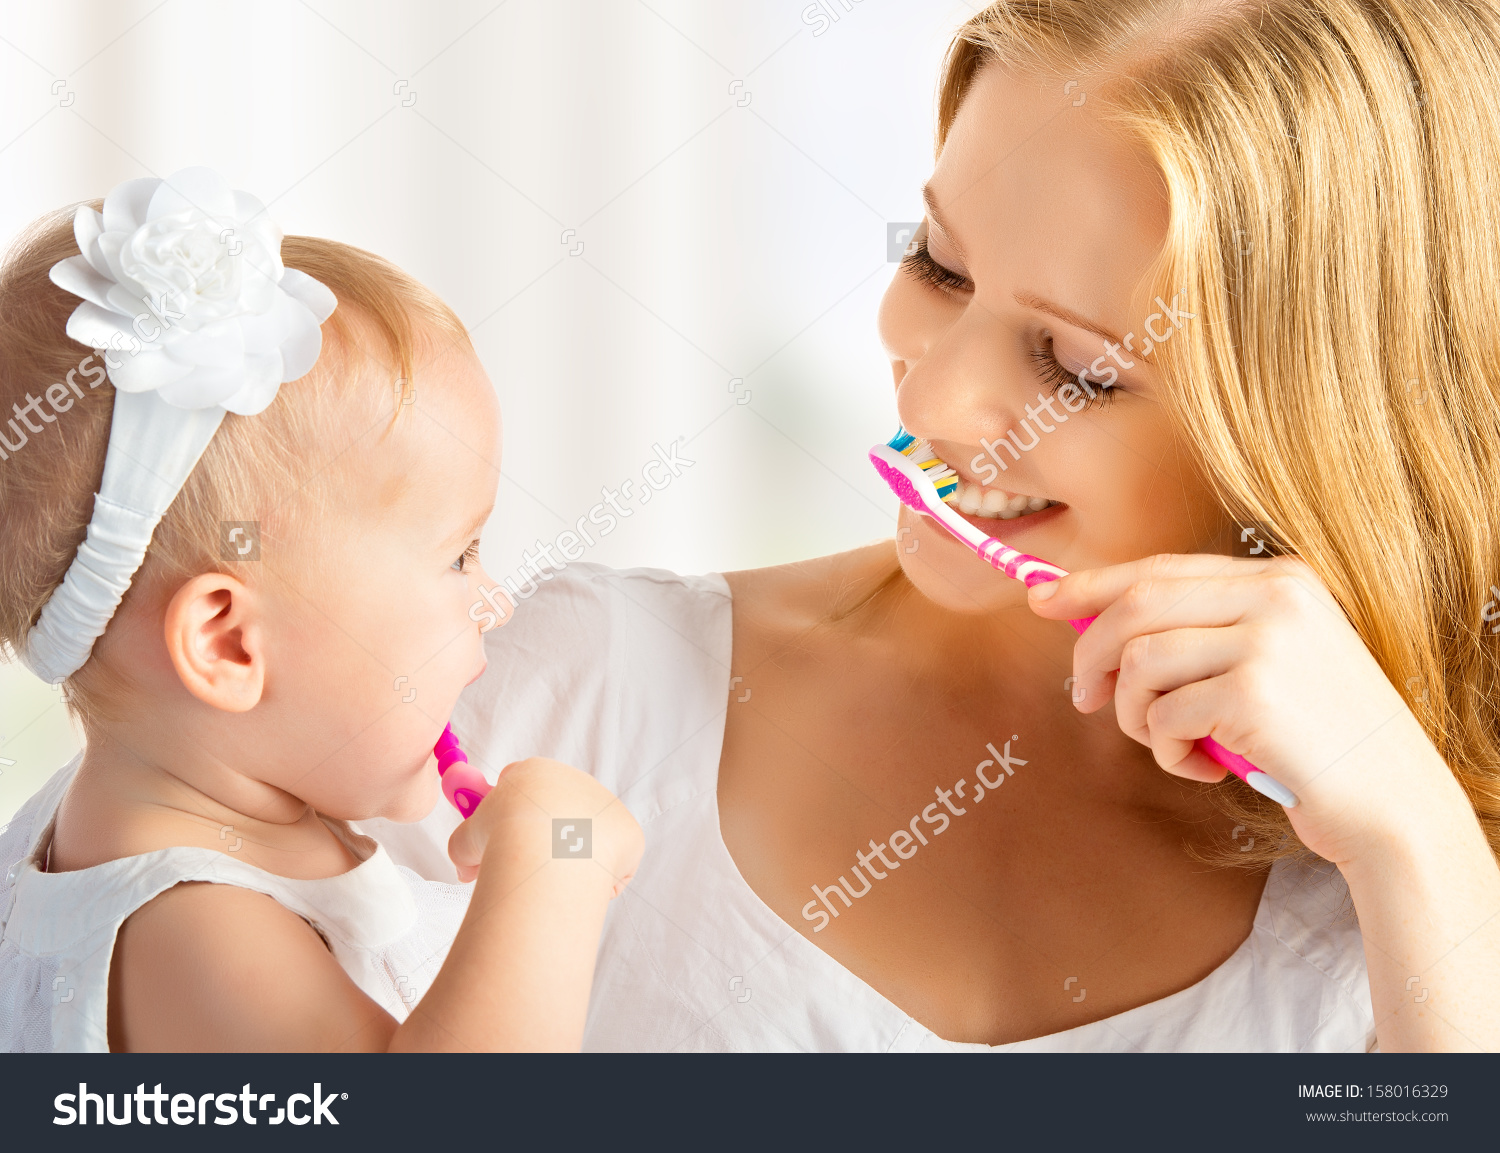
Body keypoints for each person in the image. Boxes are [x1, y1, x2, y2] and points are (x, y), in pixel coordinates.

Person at [373, 0, 1500, 1051]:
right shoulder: (570, 696)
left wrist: (1420, 850)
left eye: (1080, 368)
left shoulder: (1413, 875)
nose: (929, 404)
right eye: (940, 265)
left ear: (1332, 440)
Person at [0, 168, 642, 1052]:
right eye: (457, 555)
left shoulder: (114, 817)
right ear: (228, 643)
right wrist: (553, 869)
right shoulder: (194, 933)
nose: (492, 601)